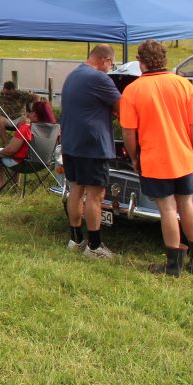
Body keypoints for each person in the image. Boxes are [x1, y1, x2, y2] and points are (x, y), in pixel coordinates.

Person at [120, 40, 193, 277]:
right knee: (187, 204)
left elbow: (128, 131)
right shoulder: (182, 84)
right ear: (163, 59)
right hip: (184, 157)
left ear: (141, 61)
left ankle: (173, 265)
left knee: (168, 210)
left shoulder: (133, 90)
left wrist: (135, 157)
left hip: (155, 160)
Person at [60, 44, 120, 259]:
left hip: (71, 143)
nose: (110, 68)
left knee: (76, 189)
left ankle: (75, 239)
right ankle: (94, 246)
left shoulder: (73, 75)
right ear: (105, 60)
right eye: (111, 64)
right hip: (93, 146)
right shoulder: (99, 78)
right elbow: (122, 106)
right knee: (95, 195)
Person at [0, 99, 55, 188]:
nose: (28, 114)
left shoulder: (26, 129)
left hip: (24, 164)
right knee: (18, 153)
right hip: (44, 163)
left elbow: (10, 150)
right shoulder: (55, 129)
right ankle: (15, 185)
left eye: (30, 111)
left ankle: (0, 185)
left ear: (35, 114)